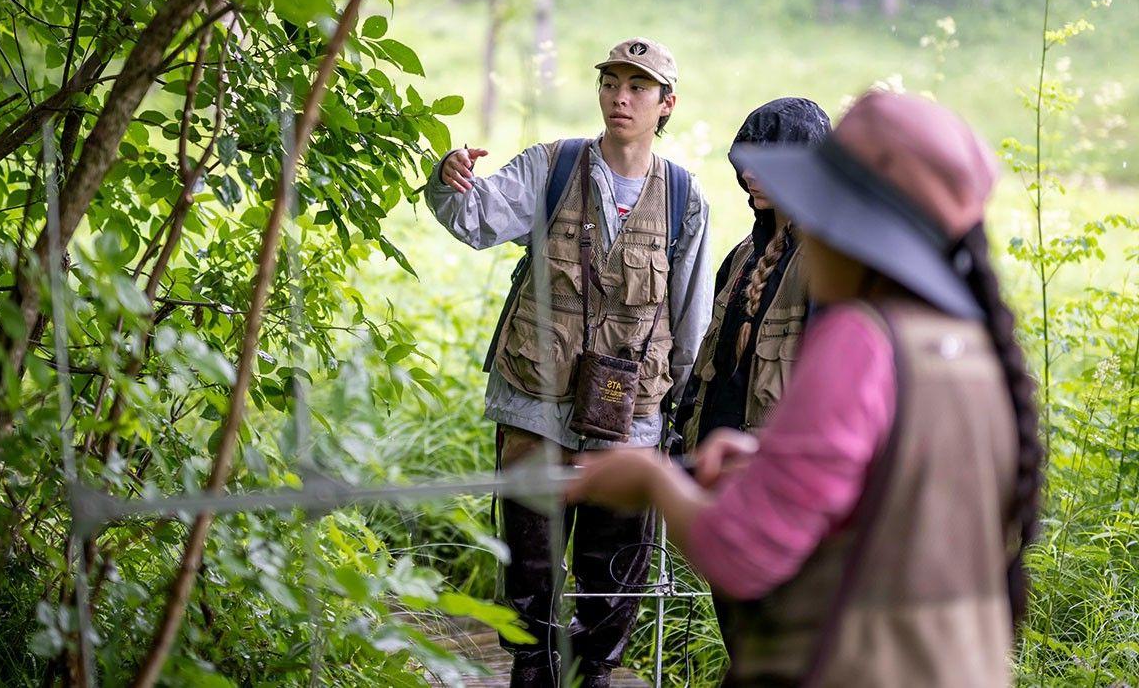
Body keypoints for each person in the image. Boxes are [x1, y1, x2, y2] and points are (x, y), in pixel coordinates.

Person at [569, 91, 1042, 686]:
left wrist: (651, 480)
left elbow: (743, 553)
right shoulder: (974, 346)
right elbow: (899, 499)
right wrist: (771, 460)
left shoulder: (861, 342)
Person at [424, 38, 711, 687]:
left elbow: (690, 320)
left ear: (666, 104)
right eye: (611, 82)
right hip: (536, 404)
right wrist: (449, 178)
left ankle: (596, 671)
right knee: (529, 560)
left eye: (638, 87)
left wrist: (680, 418)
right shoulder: (551, 168)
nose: (620, 96)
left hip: (630, 420)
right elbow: (470, 219)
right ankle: (532, 666)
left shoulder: (685, 199)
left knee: (615, 565)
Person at [672, 98, 831, 458]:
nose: (749, 175)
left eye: (764, 163)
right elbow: (704, 374)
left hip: (769, 478)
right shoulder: (742, 257)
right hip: (706, 469)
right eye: (745, 162)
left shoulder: (825, 268)